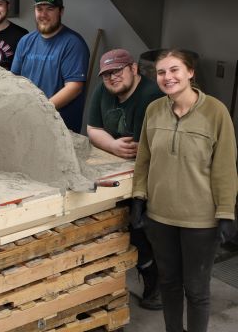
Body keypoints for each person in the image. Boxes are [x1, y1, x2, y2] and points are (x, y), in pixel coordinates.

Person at [132, 49, 237, 332]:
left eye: (175, 70)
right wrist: (139, 197)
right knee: (169, 283)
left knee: (197, 289)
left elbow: (225, 167)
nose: (168, 77)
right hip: (160, 217)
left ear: (190, 72)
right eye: (162, 72)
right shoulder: (154, 110)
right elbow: (144, 159)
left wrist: (226, 212)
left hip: (200, 221)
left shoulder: (216, 112)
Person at [87, 49, 164, 310]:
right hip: (114, 168)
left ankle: (157, 282)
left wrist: (120, 151)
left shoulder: (152, 97)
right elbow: (92, 129)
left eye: (117, 71)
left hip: (151, 174)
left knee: (142, 230)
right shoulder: (103, 90)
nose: (112, 78)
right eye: (107, 73)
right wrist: (113, 146)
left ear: (134, 68)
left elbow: (151, 148)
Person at [11, 0, 89, 133]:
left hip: (60, 130)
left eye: (50, 9)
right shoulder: (25, 41)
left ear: (61, 11)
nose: (43, 14)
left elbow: (74, 87)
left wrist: (40, 109)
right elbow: (14, 80)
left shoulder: (73, 43)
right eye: (39, 9)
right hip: (27, 123)